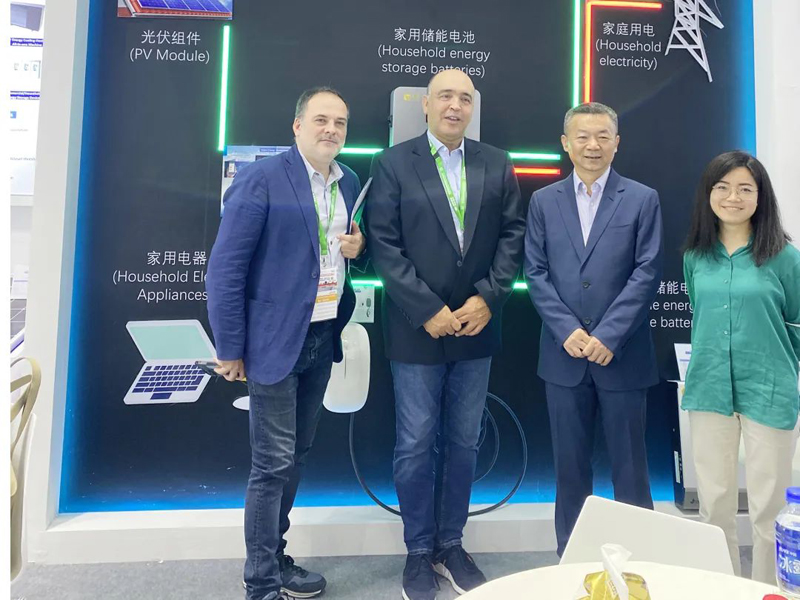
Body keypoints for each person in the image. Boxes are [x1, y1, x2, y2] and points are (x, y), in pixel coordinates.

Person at [365, 69, 525, 600]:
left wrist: (489, 297)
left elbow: (513, 235)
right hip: (416, 329)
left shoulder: (496, 162)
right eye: (445, 97)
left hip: (477, 325)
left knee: (464, 440)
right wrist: (426, 308)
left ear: (472, 107)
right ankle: (418, 550)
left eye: (465, 98)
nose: (455, 106)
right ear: (426, 105)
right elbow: (384, 244)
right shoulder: (393, 162)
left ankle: (451, 544)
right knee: (414, 443)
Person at [206, 87, 365, 600]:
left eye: (340, 123)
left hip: (321, 335)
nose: (331, 130)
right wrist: (230, 347)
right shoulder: (262, 179)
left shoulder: (349, 181)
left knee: (295, 457)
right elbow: (226, 269)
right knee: (271, 464)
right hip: (272, 342)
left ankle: (275, 557)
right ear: (297, 126)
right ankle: (260, 583)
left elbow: (341, 252)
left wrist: (358, 247)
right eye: (321, 120)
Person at [524, 102, 663, 556]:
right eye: (582, 136)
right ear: (566, 144)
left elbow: (647, 272)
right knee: (569, 471)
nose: (592, 145)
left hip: (623, 356)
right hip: (563, 357)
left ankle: (640, 561)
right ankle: (573, 557)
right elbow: (535, 273)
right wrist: (567, 329)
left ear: (616, 143)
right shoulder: (544, 201)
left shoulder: (642, 198)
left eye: (603, 136)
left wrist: (609, 335)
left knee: (631, 471)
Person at [682, 150, 800, 584]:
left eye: (745, 189)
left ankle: (770, 591)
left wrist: (779, 368)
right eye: (723, 187)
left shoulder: (785, 258)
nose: (733, 197)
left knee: (770, 511)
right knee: (714, 508)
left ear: (760, 197)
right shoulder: (696, 257)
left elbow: (797, 325)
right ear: (708, 194)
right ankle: (723, 589)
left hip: (769, 390)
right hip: (709, 388)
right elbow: (699, 313)